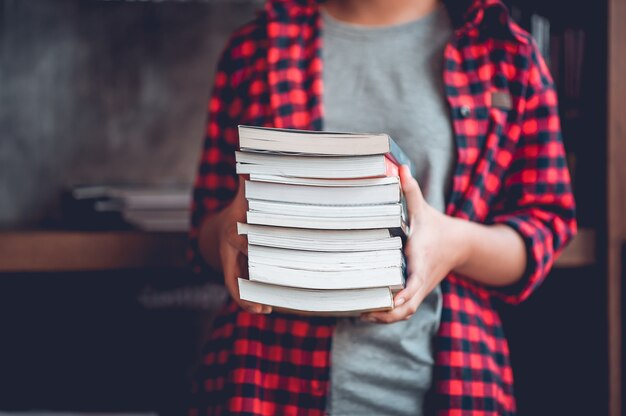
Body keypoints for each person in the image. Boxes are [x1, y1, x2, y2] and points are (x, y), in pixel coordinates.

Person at [187, 0, 577, 414]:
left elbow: (543, 226)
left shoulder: (506, 53)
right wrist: (234, 226)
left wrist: (455, 243)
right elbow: (205, 231)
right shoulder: (256, 47)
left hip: (453, 377)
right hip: (265, 380)